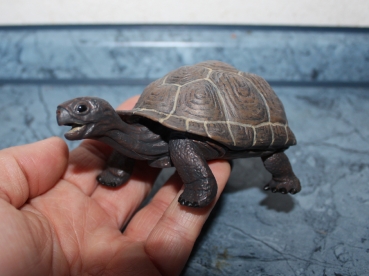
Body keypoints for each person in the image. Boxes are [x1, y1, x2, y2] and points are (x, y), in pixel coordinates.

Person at [0, 96, 231, 276]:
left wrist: (197, 183)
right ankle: (118, 170)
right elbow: (127, 144)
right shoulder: (126, 139)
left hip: (208, 124)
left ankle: (202, 182)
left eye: (81, 109)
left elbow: (172, 139)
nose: (64, 117)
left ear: (105, 112)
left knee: (180, 144)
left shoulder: (169, 139)